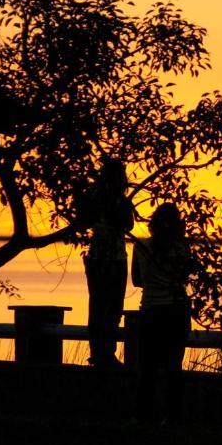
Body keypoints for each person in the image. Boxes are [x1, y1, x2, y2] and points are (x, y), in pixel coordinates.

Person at [131, 202, 192, 423]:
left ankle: (142, 415)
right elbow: (185, 277)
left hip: (150, 310)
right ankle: (173, 416)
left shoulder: (141, 246)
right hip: (176, 308)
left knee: (147, 367)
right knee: (174, 366)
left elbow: (137, 280)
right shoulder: (182, 248)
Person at [80, 158, 134, 369]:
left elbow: (83, 220)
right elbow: (128, 225)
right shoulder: (119, 199)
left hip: (95, 257)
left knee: (96, 306)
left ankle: (96, 353)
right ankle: (107, 354)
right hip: (114, 258)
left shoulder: (91, 195)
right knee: (113, 308)